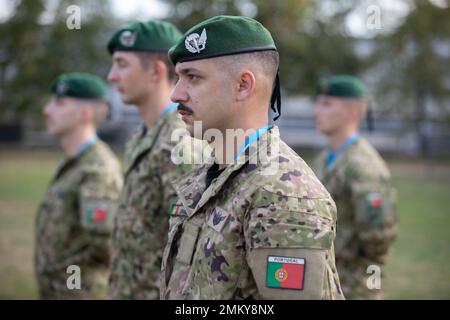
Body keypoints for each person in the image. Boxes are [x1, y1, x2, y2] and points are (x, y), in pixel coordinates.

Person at [160, 15, 344, 300]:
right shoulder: (208, 177)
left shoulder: (282, 193)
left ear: (243, 85)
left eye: (193, 77)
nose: (175, 94)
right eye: (177, 77)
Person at [106, 20, 194, 299]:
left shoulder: (178, 143)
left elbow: (189, 250)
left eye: (121, 64)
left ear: (156, 71)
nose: (111, 76)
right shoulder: (143, 136)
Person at [35, 73, 123, 299]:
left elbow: (105, 245)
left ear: (85, 114)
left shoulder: (97, 169)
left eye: (59, 103)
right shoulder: (73, 162)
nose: (47, 110)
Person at [313, 75, 398, 299]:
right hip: (328, 279)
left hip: (355, 284)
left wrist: (368, 283)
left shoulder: (364, 166)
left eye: (326, 104)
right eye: (318, 102)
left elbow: (378, 238)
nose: (317, 110)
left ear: (351, 112)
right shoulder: (325, 158)